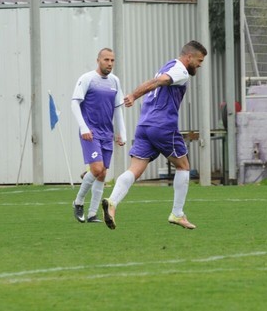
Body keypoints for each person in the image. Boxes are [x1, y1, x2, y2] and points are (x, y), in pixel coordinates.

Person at [101, 40, 207, 230]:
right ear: (189, 57)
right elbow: (157, 82)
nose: (199, 65)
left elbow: (157, 80)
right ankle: (177, 213)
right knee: (183, 166)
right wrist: (134, 95)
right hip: (162, 125)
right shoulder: (181, 71)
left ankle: (112, 203)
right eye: (199, 61)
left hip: (144, 124)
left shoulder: (168, 65)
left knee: (134, 169)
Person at [71, 48, 126, 223]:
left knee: (102, 174)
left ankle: (92, 214)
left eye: (112, 60)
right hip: (90, 132)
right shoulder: (87, 78)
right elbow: (75, 103)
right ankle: (78, 202)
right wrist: (83, 128)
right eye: (106, 60)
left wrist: (122, 133)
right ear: (98, 60)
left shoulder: (115, 81)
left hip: (107, 133)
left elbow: (118, 109)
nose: (109, 63)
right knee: (96, 169)